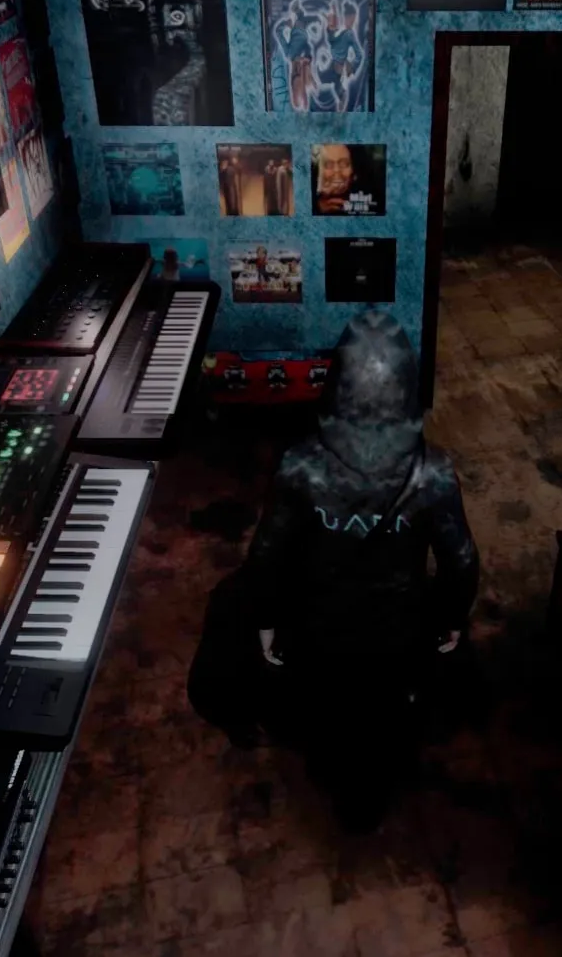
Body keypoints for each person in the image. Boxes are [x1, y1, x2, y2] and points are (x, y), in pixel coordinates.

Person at [189, 311, 479, 830]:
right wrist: (453, 621)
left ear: (336, 386)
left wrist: (265, 626)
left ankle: (274, 724)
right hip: (399, 634)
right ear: (406, 388)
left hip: (317, 630)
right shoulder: (434, 470)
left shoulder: (300, 464)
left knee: (227, 604)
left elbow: (265, 559)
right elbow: (461, 562)